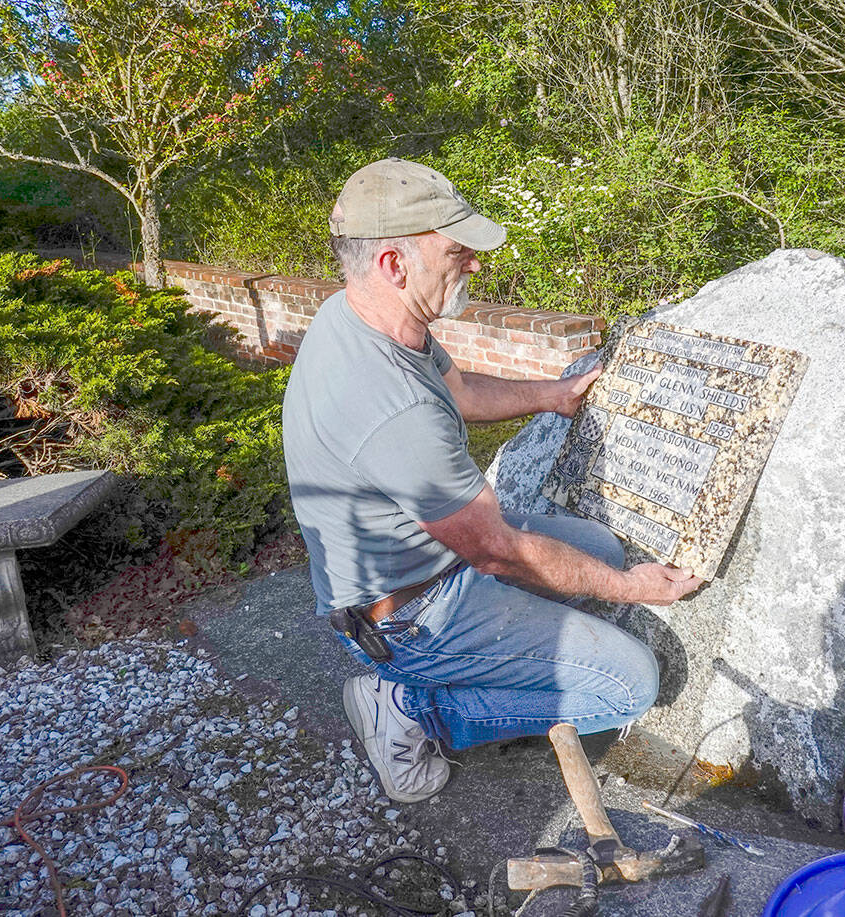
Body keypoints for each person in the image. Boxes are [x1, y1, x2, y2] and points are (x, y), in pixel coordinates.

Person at [282, 158, 702, 803]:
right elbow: (496, 549)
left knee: (600, 550)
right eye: (457, 251)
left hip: (429, 562)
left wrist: (552, 394)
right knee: (630, 684)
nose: (475, 263)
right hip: (409, 614)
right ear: (395, 264)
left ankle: (471, 666)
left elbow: (459, 389)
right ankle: (408, 708)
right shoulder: (392, 406)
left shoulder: (369, 317)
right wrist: (631, 590)